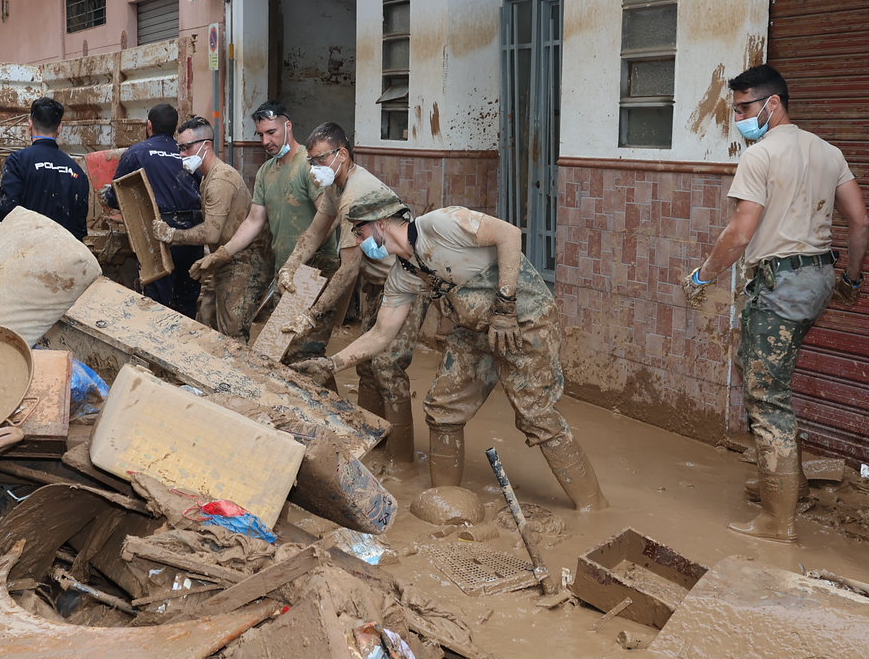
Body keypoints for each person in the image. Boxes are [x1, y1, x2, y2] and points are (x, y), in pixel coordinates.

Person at [298, 194, 608, 511]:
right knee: (442, 409)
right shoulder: (403, 275)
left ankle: (593, 508)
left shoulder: (440, 224)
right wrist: (331, 363)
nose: (361, 243)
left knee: (536, 416)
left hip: (524, 319)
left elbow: (509, 234)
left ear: (380, 224)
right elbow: (381, 333)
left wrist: (505, 304)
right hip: (474, 331)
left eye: (360, 234)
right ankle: (446, 506)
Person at [682, 65, 869, 542]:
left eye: (745, 109)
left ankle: (778, 519)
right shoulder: (829, 152)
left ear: (773, 103)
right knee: (774, 378)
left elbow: (740, 232)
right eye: (737, 110)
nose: (740, 119)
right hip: (819, 280)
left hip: (780, 285)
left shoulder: (760, 155)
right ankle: (792, 484)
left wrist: (704, 275)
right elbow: (861, 222)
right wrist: (851, 277)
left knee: (767, 398)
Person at [276, 124, 421, 466]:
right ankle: (371, 443)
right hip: (378, 284)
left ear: (342, 155)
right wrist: (290, 266)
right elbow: (313, 233)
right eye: (310, 161)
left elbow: (349, 268)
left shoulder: (356, 195)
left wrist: (312, 313)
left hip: (407, 283)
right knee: (367, 367)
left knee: (388, 366)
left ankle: (402, 462)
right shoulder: (336, 187)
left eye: (320, 159)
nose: (314, 169)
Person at [191, 101, 333, 361]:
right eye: (261, 134)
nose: (266, 140)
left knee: (304, 353)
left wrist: (300, 258)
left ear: (287, 126)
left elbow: (329, 216)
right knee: (286, 351)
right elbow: (253, 221)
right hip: (286, 272)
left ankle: (320, 402)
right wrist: (222, 254)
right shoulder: (267, 172)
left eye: (272, 132)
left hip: (315, 271)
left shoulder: (308, 166)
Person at [151, 118, 263, 336]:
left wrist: (173, 234)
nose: (182, 154)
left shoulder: (220, 180)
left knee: (232, 335)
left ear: (207, 145)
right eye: (179, 148)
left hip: (242, 262)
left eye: (187, 147)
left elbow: (212, 232)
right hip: (223, 260)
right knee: (206, 322)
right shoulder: (206, 179)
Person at [107, 104, 201, 315]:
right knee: (186, 300)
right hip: (192, 235)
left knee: (157, 304)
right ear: (175, 128)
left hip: (159, 236)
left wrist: (107, 195)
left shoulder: (137, 153)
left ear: (149, 125)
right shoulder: (186, 153)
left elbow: (116, 197)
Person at [0, 96, 88, 239]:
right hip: (63, 254)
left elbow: (6, 211)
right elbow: (80, 228)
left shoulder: (18, 161)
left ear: (30, 124)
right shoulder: (76, 170)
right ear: (59, 128)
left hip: (25, 251)